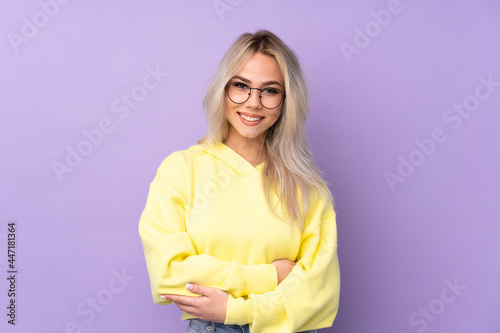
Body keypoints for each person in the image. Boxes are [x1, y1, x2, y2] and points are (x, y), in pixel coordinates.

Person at [139, 30, 340, 333]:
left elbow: (318, 294)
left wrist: (237, 309)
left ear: (286, 102)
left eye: (269, 91)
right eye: (241, 86)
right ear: (223, 89)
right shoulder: (181, 170)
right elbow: (169, 274)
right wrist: (270, 276)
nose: (253, 103)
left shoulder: (308, 189)